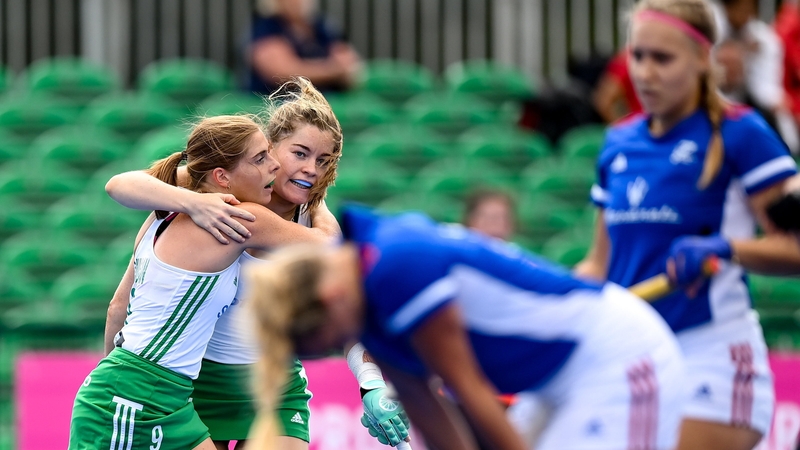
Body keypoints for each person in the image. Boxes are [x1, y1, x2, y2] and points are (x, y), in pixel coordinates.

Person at [103, 78, 408, 449]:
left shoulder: (316, 223)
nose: (311, 169)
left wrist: (370, 382)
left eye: (323, 161)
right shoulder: (214, 192)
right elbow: (121, 187)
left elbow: (345, 314)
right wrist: (193, 202)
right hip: (200, 382)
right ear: (269, 149)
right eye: (300, 153)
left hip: (275, 384)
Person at [243, 206, 687, 450]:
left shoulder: (397, 270)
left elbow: (470, 390)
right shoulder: (366, 305)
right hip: (552, 381)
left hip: (616, 358)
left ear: (329, 299)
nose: (344, 344)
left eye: (333, 340)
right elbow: (429, 413)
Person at [574, 1, 800, 449]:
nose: (645, 74)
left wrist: (727, 248)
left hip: (711, 355)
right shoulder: (618, 142)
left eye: (663, 59)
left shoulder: (742, 133)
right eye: (638, 56)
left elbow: (795, 249)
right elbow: (598, 264)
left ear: (701, 58)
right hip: (632, 358)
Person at [68, 113, 343, 449]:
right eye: (261, 158)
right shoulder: (239, 216)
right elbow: (329, 246)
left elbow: (117, 308)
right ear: (221, 176)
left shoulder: (163, 211)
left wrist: (194, 201)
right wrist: (318, 202)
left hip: (164, 392)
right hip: (138, 392)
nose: (274, 165)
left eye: (323, 160)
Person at [710, 0, 800, 152]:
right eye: (740, 8)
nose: (745, 14)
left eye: (750, 9)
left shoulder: (763, 39)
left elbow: (768, 91)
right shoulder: (710, 28)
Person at [248, 0, 361, 95]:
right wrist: (332, 70)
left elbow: (350, 64)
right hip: (280, 103)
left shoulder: (321, 26)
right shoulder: (267, 29)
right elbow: (282, 73)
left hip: (327, 100)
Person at [593, 50, 644, 123]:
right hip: (643, 124)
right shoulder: (628, 59)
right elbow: (604, 101)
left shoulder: (630, 57)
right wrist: (622, 127)